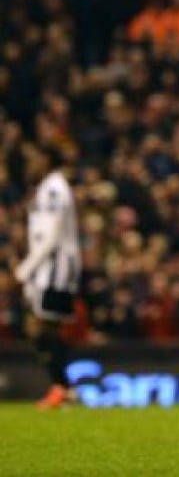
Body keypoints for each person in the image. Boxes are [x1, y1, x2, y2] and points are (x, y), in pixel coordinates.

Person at [14, 146, 82, 409]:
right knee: (47, 327)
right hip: (51, 266)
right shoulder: (49, 188)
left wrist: (26, 267)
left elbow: (51, 235)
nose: (30, 164)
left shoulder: (53, 188)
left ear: (46, 160)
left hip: (55, 268)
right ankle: (64, 388)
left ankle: (61, 386)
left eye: (34, 158)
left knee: (39, 326)